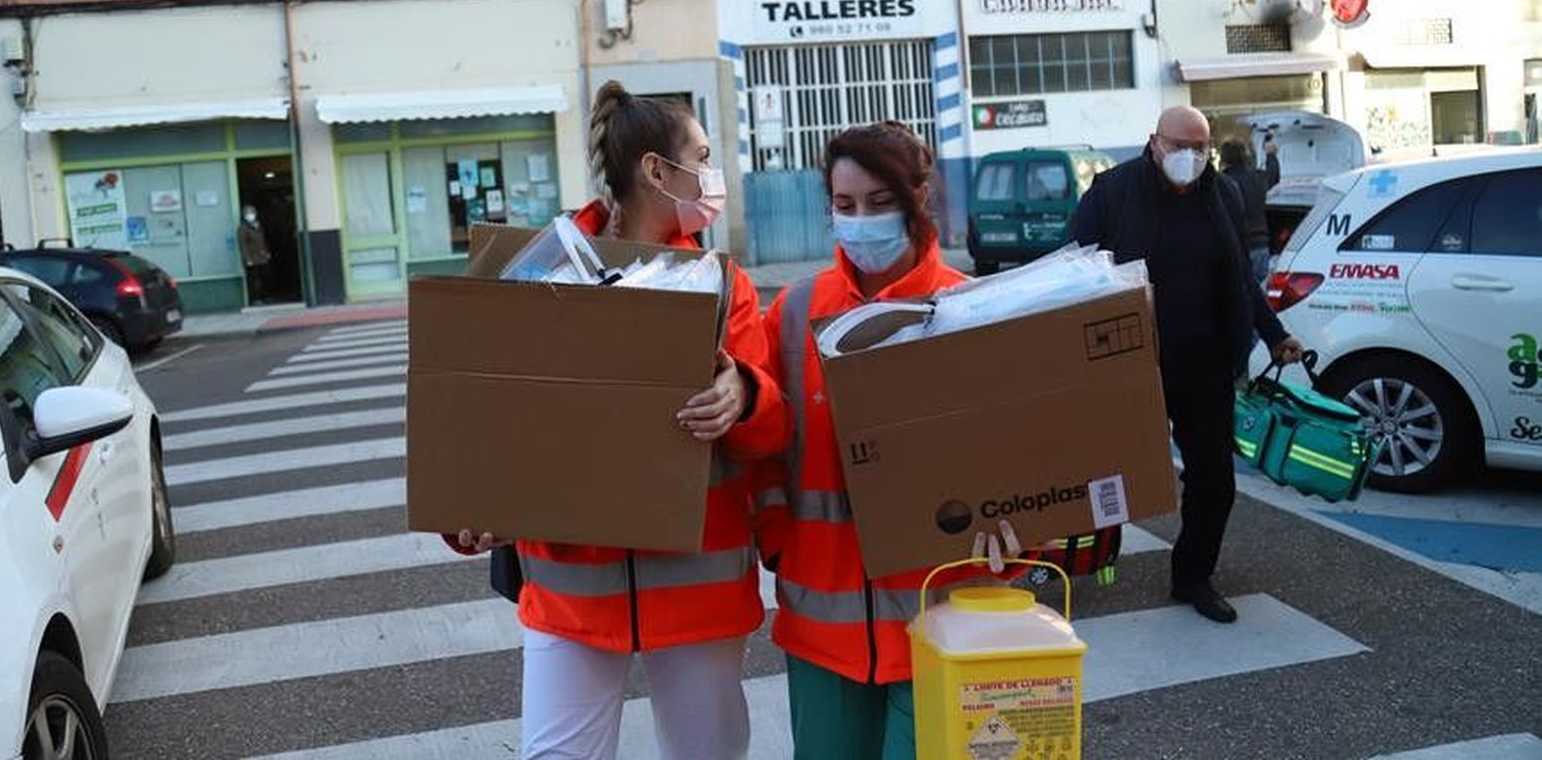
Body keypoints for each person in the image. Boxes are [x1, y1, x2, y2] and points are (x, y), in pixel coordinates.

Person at [447, 81, 786, 760]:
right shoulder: (536, 275)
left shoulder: (723, 282)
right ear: (659, 171)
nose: (714, 175)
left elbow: (770, 432)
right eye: (704, 155)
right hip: (571, 588)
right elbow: (482, 415)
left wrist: (743, 394)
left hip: (699, 591)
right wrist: (468, 512)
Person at [757, 122, 1026, 760]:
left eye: (879, 203)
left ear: (918, 199)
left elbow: (1022, 448)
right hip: (822, 628)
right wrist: (776, 537)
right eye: (844, 206)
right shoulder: (794, 312)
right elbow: (762, 444)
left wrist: (1016, 536)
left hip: (947, 617)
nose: (861, 221)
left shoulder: (973, 309)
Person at [1074, 107, 1302, 624]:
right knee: (1095, 470)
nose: (1190, 158)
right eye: (1180, 146)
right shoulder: (1112, 192)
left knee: (1215, 477)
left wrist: (1274, 333)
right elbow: (1074, 266)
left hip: (1206, 362)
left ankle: (1193, 575)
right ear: (1154, 142)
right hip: (1129, 366)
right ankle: (1066, 562)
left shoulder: (1223, 195)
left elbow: (1241, 278)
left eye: (1201, 149)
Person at [1220, 139, 1273, 284]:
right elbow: (1274, 177)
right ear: (1245, 156)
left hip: (1236, 250)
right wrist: (1271, 156)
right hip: (1261, 247)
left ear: (1224, 159)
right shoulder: (1259, 177)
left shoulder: (1221, 182)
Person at [237, 206, 272, 305]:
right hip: (252, 259)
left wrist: (267, 252)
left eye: (252, 212)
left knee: (265, 277)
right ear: (244, 215)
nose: (250, 215)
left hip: (262, 256)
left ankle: (265, 296)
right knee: (254, 280)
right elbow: (243, 245)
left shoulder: (258, 226)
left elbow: (263, 240)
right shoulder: (242, 228)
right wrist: (247, 258)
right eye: (247, 213)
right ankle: (256, 299)